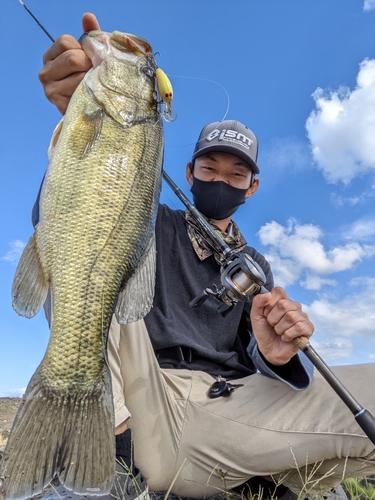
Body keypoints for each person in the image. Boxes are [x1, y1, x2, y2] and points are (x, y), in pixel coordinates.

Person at [36, 13, 375, 500]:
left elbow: (255, 354)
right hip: (141, 399)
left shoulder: (255, 263)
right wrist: (81, 125)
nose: (221, 180)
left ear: (252, 188)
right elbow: (71, 220)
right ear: (189, 174)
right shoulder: (148, 218)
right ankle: (114, 462)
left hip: (230, 407)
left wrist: (276, 357)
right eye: (209, 167)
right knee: (84, 264)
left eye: (236, 175)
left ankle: (258, 477)